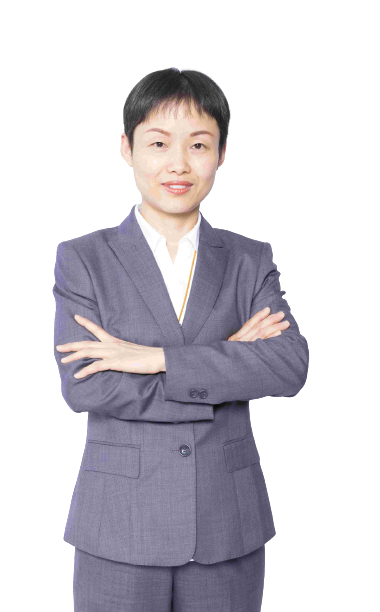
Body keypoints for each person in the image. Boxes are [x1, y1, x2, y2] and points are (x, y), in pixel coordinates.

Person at [53, 67, 309, 611]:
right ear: (126, 149)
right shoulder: (83, 258)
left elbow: (289, 367)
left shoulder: (249, 258)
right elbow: (87, 387)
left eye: (198, 144)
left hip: (228, 522)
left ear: (221, 155)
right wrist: (230, 364)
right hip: (119, 522)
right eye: (158, 143)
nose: (178, 164)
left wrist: (155, 359)